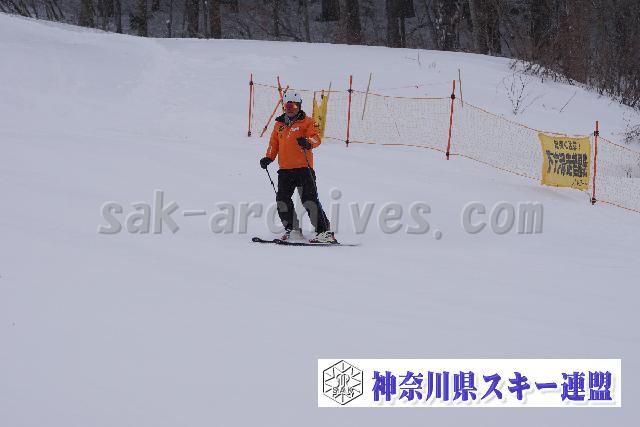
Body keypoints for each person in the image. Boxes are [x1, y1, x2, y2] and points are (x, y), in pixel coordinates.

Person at [259, 91, 337, 244]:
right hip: (285, 170)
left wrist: (308, 143)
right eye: (287, 106)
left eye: (293, 106)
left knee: (309, 200)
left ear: (299, 106)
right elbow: (274, 144)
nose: (289, 109)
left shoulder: (307, 122)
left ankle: (323, 232)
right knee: (282, 199)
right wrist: (269, 157)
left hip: (304, 169)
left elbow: (316, 137)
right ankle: (293, 229)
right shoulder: (279, 125)